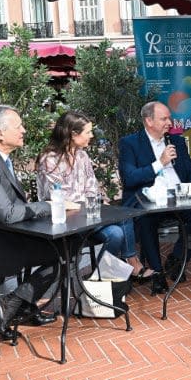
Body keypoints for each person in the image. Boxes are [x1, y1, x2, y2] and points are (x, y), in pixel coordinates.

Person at [0, 104, 76, 340]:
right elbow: (7, 213)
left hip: (2, 236)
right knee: (62, 251)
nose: (24, 130)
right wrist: (49, 205)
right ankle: (11, 305)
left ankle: (19, 305)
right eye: (18, 126)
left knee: (65, 247)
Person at [36, 111, 151, 280]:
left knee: (116, 233)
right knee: (124, 217)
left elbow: (92, 186)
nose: (91, 136)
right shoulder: (50, 160)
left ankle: (99, 276)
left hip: (88, 215)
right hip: (65, 220)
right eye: (88, 132)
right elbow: (58, 198)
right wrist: (90, 203)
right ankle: (131, 262)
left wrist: (94, 202)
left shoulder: (82, 155)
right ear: (73, 134)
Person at [119, 101, 191, 295]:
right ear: (149, 121)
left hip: (180, 198)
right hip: (151, 201)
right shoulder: (130, 143)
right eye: (164, 118)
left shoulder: (177, 141)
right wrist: (160, 163)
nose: (170, 122)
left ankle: (177, 259)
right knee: (146, 219)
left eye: (169, 117)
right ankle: (157, 272)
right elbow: (130, 178)